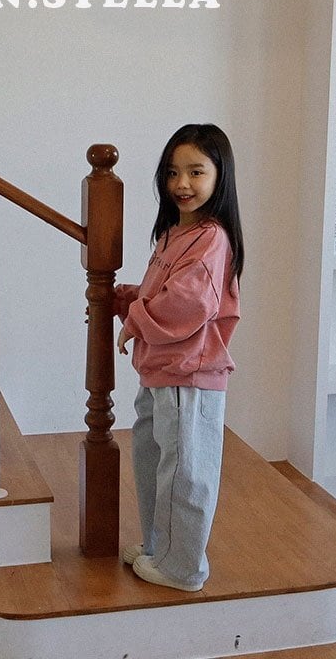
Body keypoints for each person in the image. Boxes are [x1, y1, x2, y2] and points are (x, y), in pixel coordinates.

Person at [114, 123, 243, 592]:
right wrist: (125, 297)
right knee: (155, 465)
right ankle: (159, 548)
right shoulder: (174, 234)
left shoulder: (212, 238)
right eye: (172, 172)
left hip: (190, 374)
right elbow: (162, 291)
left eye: (196, 172)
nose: (182, 183)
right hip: (161, 371)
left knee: (186, 473)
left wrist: (133, 319)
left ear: (220, 176)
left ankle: (183, 566)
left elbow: (187, 304)